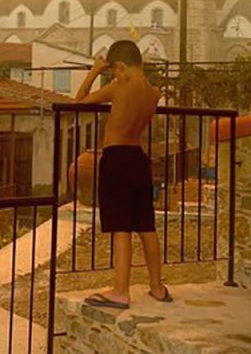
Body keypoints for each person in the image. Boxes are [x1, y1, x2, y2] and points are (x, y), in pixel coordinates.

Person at [74, 40, 172, 309]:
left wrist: (95, 71)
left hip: (116, 159)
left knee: (121, 228)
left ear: (121, 66)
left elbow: (79, 101)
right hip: (139, 160)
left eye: (114, 70)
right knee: (145, 226)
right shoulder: (153, 92)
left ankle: (120, 291)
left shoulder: (120, 87)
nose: (114, 75)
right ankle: (157, 286)